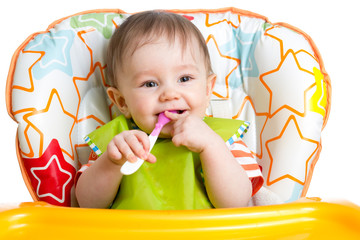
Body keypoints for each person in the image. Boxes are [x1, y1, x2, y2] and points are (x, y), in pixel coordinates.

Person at [75, 10, 263, 210]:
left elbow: (236, 203)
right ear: (121, 102)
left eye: (184, 79)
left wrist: (211, 146)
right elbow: (87, 205)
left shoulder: (224, 140)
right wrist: (112, 163)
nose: (169, 94)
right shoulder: (118, 143)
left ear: (207, 89)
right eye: (149, 84)